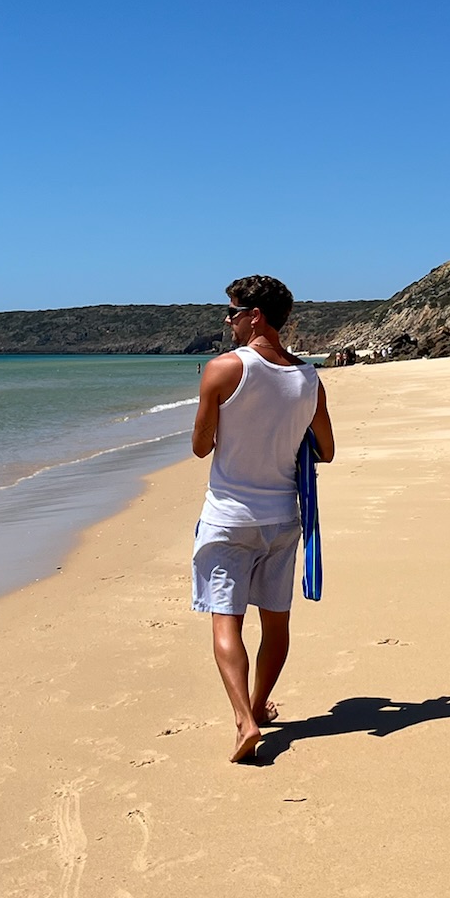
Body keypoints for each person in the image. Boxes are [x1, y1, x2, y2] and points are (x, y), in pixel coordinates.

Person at [190, 274, 336, 762]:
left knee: (224, 621)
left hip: (229, 515)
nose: (227, 321)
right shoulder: (308, 377)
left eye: (231, 313)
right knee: (275, 623)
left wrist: (215, 405)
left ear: (255, 316)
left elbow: (200, 446)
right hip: (282, 519)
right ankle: (257, 704)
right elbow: (328, 451)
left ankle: (243, 720)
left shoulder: (221, 370)